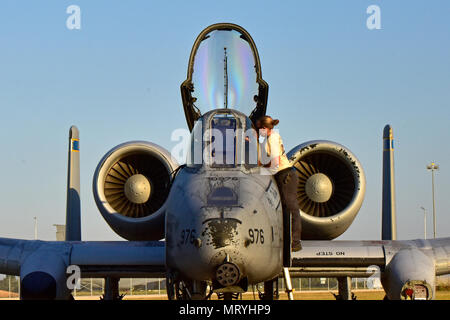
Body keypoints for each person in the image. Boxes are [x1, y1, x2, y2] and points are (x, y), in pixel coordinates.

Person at [257, 116, 302, 252]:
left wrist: (259, 167)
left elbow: (274, 163)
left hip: (285, 175)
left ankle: (294, 242)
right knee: (285, 207)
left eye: (260, 129)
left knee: (290, 207)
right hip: (283, 174)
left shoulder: (272, 139)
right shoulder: (271, 137)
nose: (259, 133)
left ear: (265, 128)